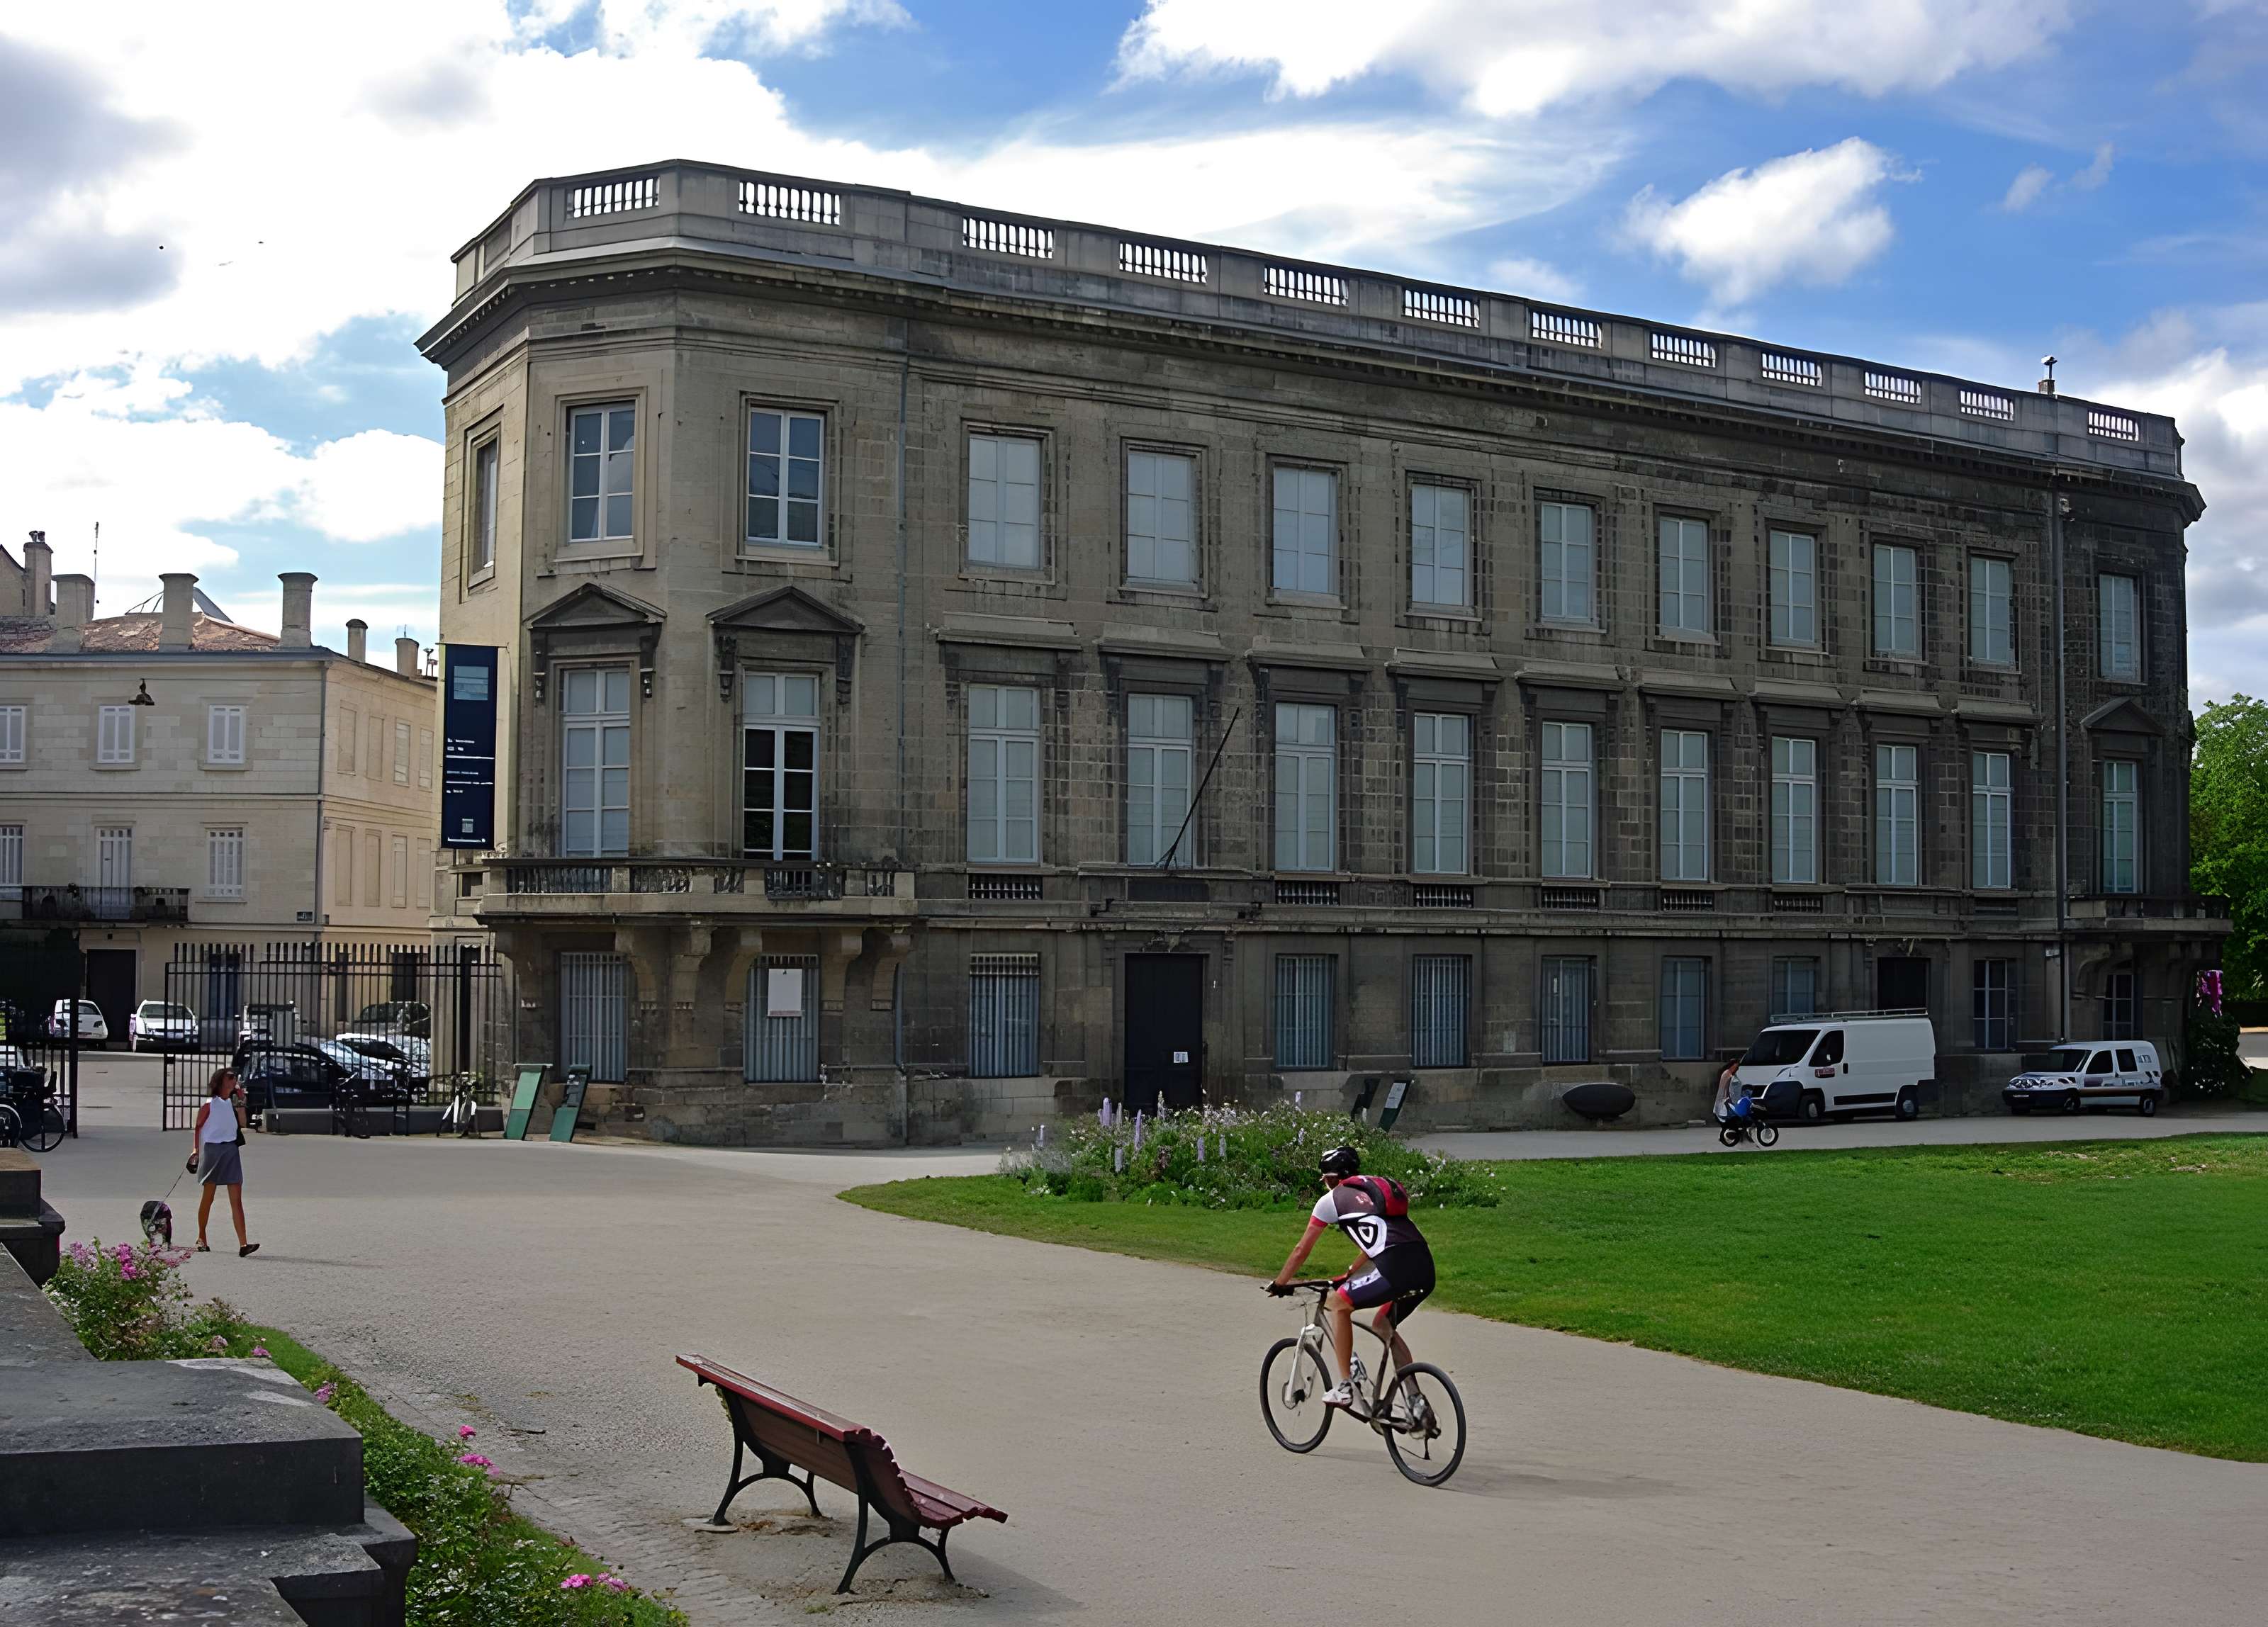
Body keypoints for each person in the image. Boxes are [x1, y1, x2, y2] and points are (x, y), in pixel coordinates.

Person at [1266, 1146, 1433, 1410]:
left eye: (1324, 1178)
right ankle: (1416, 1404)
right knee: (1383, 1325)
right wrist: (1350, 1273)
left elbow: (1301, 1250)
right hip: (1424, 1266)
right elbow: (1376, 1239)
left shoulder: (1331, 1200)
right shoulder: (1371, 1192)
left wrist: (1281, 1283)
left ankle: (1345, 1387)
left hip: (1394, 1267)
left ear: (1331, 1178)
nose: (1324, 1183)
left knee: (1338, 1304)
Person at [189, 1069, 258, 1258]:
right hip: (213, 1151)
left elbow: (243, 1123)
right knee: (208, 1198)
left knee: (237, 1200)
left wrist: (241, 1100)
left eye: (235, 1077)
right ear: (220, 1082)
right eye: (230, 1077)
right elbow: (198, 1127)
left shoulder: (230, 1104)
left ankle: (244, 1244)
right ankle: (201, 1237)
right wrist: (195, 1151)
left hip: (231, 1150)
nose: (234, 1079)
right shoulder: (210, 1104)